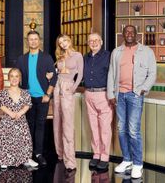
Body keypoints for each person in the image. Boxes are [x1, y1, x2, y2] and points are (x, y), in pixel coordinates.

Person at [107, 25, 156, 179]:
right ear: (123, 34)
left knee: (133, 130)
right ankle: (127, 159)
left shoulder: (146, 51)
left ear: (136, 35)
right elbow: (111, 73)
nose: (129, 34)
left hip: (135, 95)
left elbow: (153, 73)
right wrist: (111, 94)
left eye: (132, 32)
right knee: (121, 129)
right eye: (126, 32)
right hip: (119, 95)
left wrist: (143, 89)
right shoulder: (116, 52)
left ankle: (137, 163)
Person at [16, 30, 57, 166]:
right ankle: (27, 153)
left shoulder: (46, 57)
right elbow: (17, 78)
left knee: (40, 126)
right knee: (28, 125)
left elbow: (53, 77)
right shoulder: (22, 59)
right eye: (30, 39)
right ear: (27, 41)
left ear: (39, 41)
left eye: (35, 39)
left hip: (42, 98)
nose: (33, 41)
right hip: (28, 98)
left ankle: (38, 153)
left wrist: (48, 94)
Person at [0, 68, 38, 169]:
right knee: (6, 140)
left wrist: (20, 112)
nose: (14, 78)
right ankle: (4, 160)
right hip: (7, 122)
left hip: (21, 121)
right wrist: (10, 113)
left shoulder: (25, 92)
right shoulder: (3, 93)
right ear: (8, 78)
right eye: (12, 76)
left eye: (16, 76)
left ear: (20, 79)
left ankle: (26, 159)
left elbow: (28, 104)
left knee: (25, 140)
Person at [52, 34, 83, 172]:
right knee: (57, 121)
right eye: (60, 42)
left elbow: (80, 74)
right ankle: (60, 154)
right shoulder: (60, 56)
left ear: (69, 40)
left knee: (68, 123)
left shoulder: (77, 55)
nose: (63, 44)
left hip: (68, 87)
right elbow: (57, 72)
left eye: (64, 41)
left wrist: (73, 88)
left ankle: (70, 160)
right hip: (57, 86)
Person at [83, 33, 112, 170]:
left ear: (101, 41)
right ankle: (96, 154)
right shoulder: (85, 57)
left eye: (96, 40)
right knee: (93, 127)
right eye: (90, 41)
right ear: (88, 43)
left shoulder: (108, 56)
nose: (93, 43)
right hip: (88, 94)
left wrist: (111, 94)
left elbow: (113, 76)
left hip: (103, 94)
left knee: (105, 128)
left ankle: (105, 156)